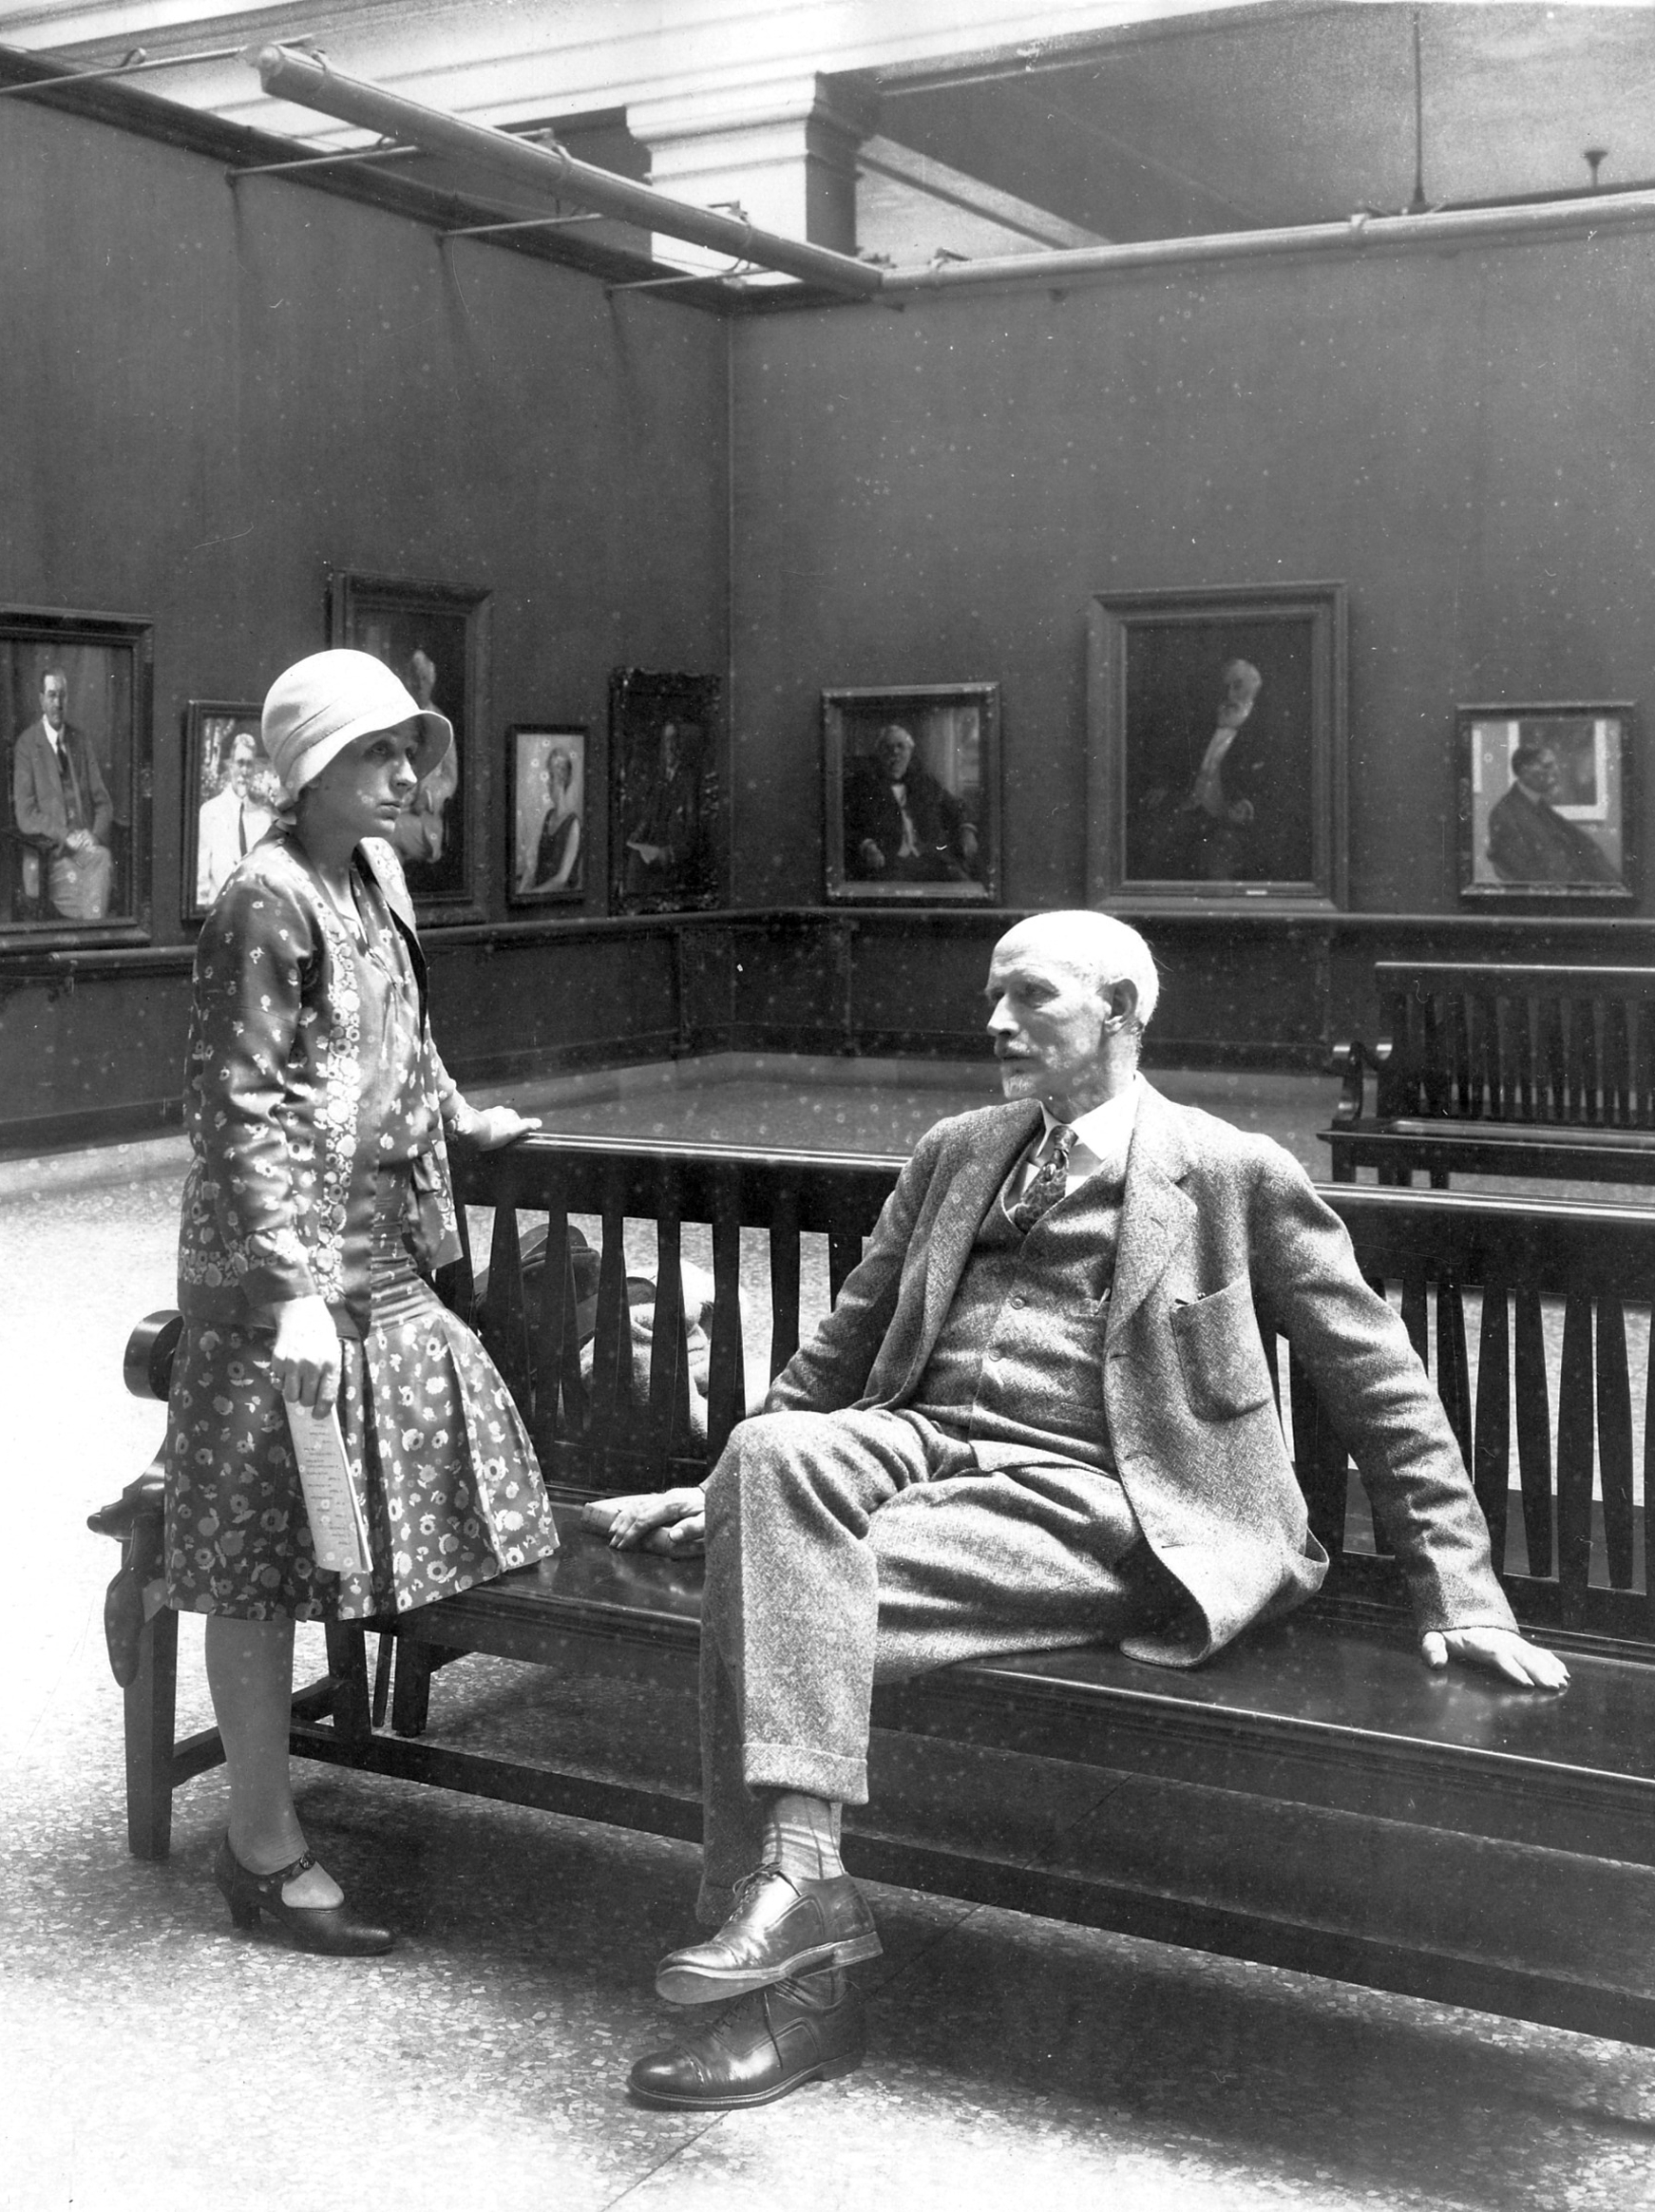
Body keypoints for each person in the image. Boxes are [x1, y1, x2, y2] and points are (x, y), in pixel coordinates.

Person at [599, 908, 1569, 2110]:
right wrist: (723, 1491)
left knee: (773, 1588)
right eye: (993, 998)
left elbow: (1380, 1379)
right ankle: (805, 1892)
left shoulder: (1228, 1168)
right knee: (770, 1454)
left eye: (1033, 999)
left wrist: (1462, 1589)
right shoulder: (961, 1148)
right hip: (922, 1450)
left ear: (1121, 1012)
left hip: (1103, 1497)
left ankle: (799, 2001)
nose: (996, 1023)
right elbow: (848, 1341)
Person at [149, 647, 555, 1955]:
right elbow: (242, 1109)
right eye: (374, 754)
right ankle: (260, 1850)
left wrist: (454, 1114)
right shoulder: (261, 901)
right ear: (307, 771)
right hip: (286, 1277)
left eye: (405, 751)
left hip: (383, 1248)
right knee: (260, 1552)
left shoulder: (372, 880)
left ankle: (317, 1796)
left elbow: (400, 1040)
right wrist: (292, 1297)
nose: (401, 777)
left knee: (375, 1519)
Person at [1137, 658, 1288, 883]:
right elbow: (1181, 762)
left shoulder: (1265, 734)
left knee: (1215, 865)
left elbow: (1276, 787)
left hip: (1232, 820)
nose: (1229, 695)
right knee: (1152, 848)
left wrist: (1250, 805)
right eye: (1225, 687)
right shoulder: (1207, 722)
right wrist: (1165, 785)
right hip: (1192, 809)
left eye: (1237, 686)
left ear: (1254, 688)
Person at [10, 668, 114, 922]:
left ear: (68, 699)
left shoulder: (81, 742)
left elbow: (104, 803)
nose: (57, 703)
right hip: (48, 860)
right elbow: (25, 815)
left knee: (100, 859)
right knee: (97, 887)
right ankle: (93, 942)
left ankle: (88, 941)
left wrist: (94, 834)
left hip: (85, 854)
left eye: (62, 696)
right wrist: (64, 835)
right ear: (41, 699)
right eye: (52, 695)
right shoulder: (26, 746)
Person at [843, 723, 976, 884]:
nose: (895, 753)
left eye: (901, 747)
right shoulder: (862, 786)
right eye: (888, 748)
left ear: (910, 752)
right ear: (878, 754)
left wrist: (967, 830)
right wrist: (867, 846)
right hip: (889, 863)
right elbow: (848, 826)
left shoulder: (925, 782)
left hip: (931, 858)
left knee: (963, 884)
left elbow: (956, 806)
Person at [1485, 740, 1621, 886]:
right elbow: (1526, 876)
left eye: (1555, 765)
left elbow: (1585, 845)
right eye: (1547, 766)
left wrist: (1614, 883)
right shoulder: (1504, 815)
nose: (1556, 771)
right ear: (1524, 771)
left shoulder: (1541, 807)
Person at [622, 716, 710, 900]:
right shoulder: (659, 778)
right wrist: (636, 838)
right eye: (666, 741)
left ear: (681, 744)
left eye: (674, 740)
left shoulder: (689, 779)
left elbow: (693, 833)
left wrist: (669, 854)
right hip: (654, 853)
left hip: (675, 861)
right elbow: (647, 817)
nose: (670, 747)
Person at [388, 647, 458, 870]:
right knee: (387, 853)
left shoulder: (440, 723)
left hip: (425, 821)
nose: (419, 684)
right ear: (407, 681)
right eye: (415, 678)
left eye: (425, 679)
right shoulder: (397, 719)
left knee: (381, 838)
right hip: (397, 809)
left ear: (432, 682)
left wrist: (428, 798)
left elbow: (450, 778)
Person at [194, 727, 279, 906]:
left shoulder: (264, 818)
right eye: (240, 763)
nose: (244, 771)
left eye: (249, 764)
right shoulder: (210, 813)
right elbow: (200, 879)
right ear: (230, 765)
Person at [521, 744, 582, 895]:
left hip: (560, 900)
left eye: (552, 776)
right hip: (541, 894)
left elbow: (562, 878)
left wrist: (531, 894)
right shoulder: (549, 816)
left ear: (562, 779)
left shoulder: (573, 824)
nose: (548, 782)